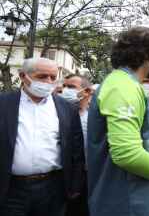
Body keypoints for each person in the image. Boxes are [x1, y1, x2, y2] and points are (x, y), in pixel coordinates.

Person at [87, 27, 149, 216]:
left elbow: (128, 141)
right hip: (125, 202)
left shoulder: (126, 84)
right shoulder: (122, 87)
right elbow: (126, 153)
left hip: (132, 197)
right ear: (148, 56)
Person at [0, 58, 85, 216]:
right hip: (11, 188)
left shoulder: (66, 109)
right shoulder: (4, 104)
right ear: (23, 76)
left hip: (52, 189)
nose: (48, 81)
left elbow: (76, 150)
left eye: (53, 77)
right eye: (42, 76)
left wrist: (75, 185)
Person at [60, 74, 93, 216]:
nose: (65, 90)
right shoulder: (57, 115)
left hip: (90, 177)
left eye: (71, 87)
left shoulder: (96, 117)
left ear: (87, 91)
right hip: (62, 178)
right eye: (64, 86)